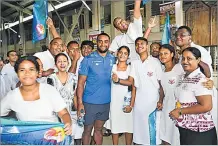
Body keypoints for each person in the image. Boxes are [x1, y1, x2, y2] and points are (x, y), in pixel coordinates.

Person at [0, 56, 72, 135]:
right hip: (27, 140)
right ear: (17, 73)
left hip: (52, 139)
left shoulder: (49, 90)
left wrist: (68, 123)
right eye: (22, 70)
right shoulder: (12, 96)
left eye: (31, 69)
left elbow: (64, 113)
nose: (27, 73)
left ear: (37, 72)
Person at [113, 37, 163, 145]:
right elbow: (131, 83)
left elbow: (161, 84)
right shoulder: (135, 63)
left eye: (142, 43)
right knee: (139, 133)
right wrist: (118, 80)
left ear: (147, 45)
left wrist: (161, 100)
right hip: (139, 103)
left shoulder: (155, 62)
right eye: (137, 44)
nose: (139, 46)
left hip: (153, 102)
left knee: (152, 132)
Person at [169, 47, 217, 145]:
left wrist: (180, 111)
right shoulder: (184, 76)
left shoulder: (201, 80)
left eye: (189, 58)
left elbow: (206, 106)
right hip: (187, 128)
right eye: (183, 58)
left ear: (198, 60)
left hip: (199, 131)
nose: (185, 61)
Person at [175, 25, 217, 130]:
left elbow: (208, 73)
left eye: (182, 35)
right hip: (188, 103)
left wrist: (191, 57)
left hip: (202, 97)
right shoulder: (181, 54)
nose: (178, 37)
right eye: (177, 35)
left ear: (190, 37)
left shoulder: (199, 50)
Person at [77, 33, 115, 145]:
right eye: (100, 41)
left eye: (106, 41)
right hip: (89, 102)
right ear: (96, 43)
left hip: (105, 102)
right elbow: (80, 83)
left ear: (109, 43)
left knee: (98, 130)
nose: (103, 44)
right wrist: (80, 103)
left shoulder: (113, 59)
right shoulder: (88, 60)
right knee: (87, 130)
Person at [157, 44, 182, 145]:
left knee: (177, 133)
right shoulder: (161, 71)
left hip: (178, 105)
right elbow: (162, 88)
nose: (162, 56)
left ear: (172, 54)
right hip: (167, 105)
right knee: (166, 132)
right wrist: (160, 100)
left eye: (166, 53)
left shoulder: (179, 68)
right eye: (160, 54)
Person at [110, 46, 136, 145]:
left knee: (128, 127)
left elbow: (131, 84)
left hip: (126, 101)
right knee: (115, 127)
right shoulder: (112, 67)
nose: (122, 55)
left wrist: (131, 105)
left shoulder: (130, 68)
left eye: (125, 53)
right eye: (121, 52)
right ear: (117, 53)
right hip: (114, 101)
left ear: (128, 56)